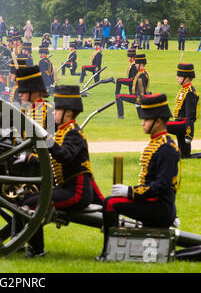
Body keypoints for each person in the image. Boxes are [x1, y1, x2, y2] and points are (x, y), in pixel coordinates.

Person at [18, 85, 104, 257]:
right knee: (27, 199)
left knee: (30, 205)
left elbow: (64, 156)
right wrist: (30, 158)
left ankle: (36, 249)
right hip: (67, 189)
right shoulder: (63, 132)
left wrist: (46, 140)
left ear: (69, 113)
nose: (54, 112)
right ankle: (29, 245)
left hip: (76, 193)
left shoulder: (73, 134)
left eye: (58, 110)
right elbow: (52, 161)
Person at [96, 93, 180, 261]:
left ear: (157, 122)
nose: (142, 122)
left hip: (160, 207)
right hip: (156, 203)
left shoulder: (166, 148)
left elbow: (161, 186)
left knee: (110, 203)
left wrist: (129, 192)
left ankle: (108, 252)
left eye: (146, 119)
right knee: (111, 200)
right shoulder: (158, 143)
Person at [166, 64, 201, 159]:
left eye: (180, 76)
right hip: (179, 122)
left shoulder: (190, 92)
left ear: (187, 78)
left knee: (159, 125)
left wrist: (189, 133)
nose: (177, 78)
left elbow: (190, 115)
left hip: (184, 124)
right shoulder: (184, 90)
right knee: (185, 156)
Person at [115, 53, 150, 119]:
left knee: (118, 96)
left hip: (137, 97)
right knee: (141, 117)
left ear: (141, 64)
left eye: (137, 64)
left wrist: (138, 101)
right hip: (138, 96)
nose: (136, 65)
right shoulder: (142, 73)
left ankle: (120, 116)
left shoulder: (141, 75)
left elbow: (141, 90)